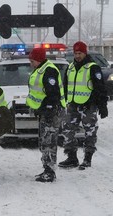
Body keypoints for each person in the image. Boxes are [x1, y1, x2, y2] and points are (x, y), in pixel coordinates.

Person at [58, 41, 108, 170]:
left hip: (88, 106)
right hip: (73, 105)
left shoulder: (92, 67)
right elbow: (65, 86)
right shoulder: (70, 67)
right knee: (67, 130)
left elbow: (100, 88)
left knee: (90, 132)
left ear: (85, 53)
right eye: (75, 53)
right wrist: (63, 101)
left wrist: (102, 106)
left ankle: (87, 158)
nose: (77, 56)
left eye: (80, 53)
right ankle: (71, 157)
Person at [26, 48, 66, 182]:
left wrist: (48, 108)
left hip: (51, 112)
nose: (31, 63)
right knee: (44, 140)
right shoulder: (41, 69)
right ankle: (47, 169)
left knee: (48, 141)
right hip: (45, 111)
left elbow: (53, 93)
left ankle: (49, 172)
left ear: (39, 59)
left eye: (32, 61)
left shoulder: (49, 70)